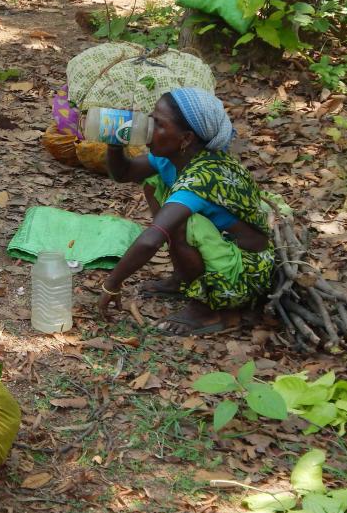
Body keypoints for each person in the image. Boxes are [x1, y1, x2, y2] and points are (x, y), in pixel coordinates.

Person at [97, 88, 275, 335]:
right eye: (150, 118)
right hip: (221, 249)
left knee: (179, 222)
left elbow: (152, 239)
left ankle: (207, 311)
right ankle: (183, 278)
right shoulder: (172, 157)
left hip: (245, 274)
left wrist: (112, 284)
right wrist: (116, 146)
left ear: (186, 138)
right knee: (153, 184)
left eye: (158, 124)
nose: (148, 126)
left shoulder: (203, 176)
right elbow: (124, 173)